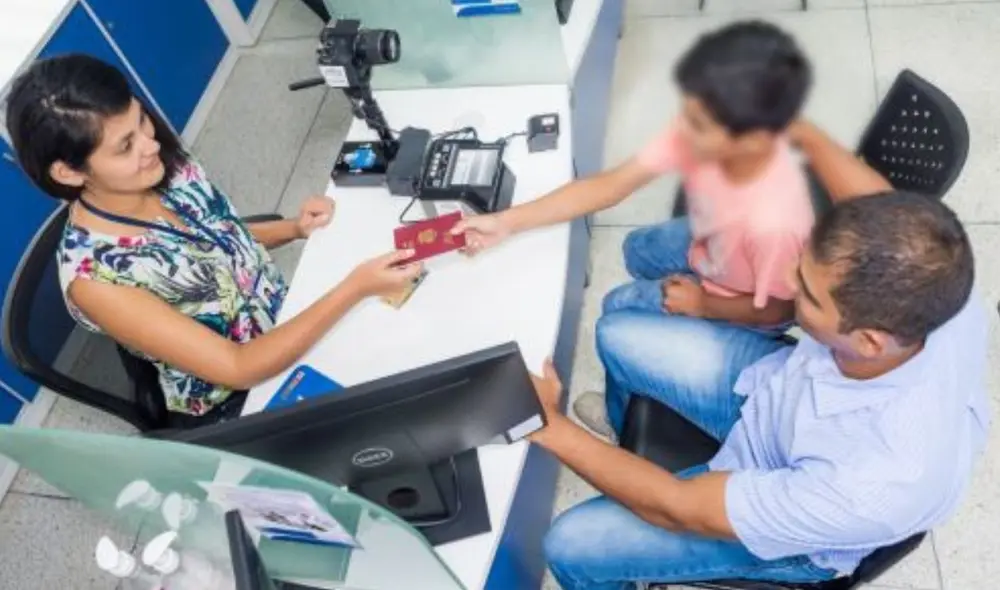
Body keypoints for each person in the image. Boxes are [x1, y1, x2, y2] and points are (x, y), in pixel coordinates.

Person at [522, 131, 988, 588]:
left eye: (806, 292)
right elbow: (881, 203)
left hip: (792, 512)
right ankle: (624, 442)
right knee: (617, 333)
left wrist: (549, 426)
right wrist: (795, 125)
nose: (786, 278)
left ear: (868, 341)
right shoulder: (938, 282)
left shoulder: (872, 483)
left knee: (571, 543)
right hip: (777, 390)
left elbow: (677, 505)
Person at [5, 55, 423, 427]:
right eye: (125, 146)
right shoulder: (96, 281)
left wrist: (295, 228)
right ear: (69, 173)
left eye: (140, 120)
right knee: (397, 413)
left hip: (284, 313)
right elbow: (237, 367)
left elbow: (216, 237)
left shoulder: (161, 166)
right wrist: (354, 288)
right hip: (239, 393)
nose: (151, 144)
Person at [453, 21, 815, 436]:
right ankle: (676, 315)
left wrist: (703, 306)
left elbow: (783, 308)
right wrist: (505, 223)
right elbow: (610, 186)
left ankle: (618, 419)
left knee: (617, 310)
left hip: (748, 304)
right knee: (636, 249)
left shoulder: (777, 224)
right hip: (714, 251)